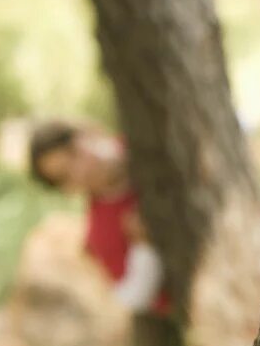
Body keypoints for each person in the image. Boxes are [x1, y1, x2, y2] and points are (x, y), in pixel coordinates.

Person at [28, 120, 171, 319]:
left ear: (86, 134)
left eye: (73, 152)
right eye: (65, 175)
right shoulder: (102, 233)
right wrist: (143, 247)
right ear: (67, 190)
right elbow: (132, 298)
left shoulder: (145, 137)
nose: (81, 170)